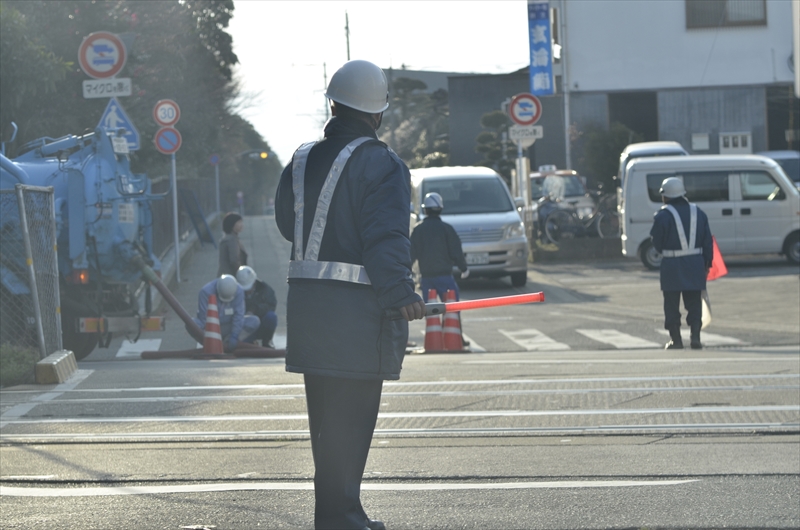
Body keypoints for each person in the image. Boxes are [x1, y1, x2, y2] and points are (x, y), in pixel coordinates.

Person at [274, 59, 425, 530]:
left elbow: (286, 223)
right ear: (377, 113)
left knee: (325, 424)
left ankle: (337, 515)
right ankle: (343, 517)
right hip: (356, 320)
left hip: (308, 313)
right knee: (352, 424)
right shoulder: (382, 164)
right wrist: (401, 292)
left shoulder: (299, 158)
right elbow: (387, 238)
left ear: (334, 104)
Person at [649, 177, 713, 350]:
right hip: (695, 263)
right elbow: (708, 241)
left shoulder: (662, 216)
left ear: (666, 196)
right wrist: (707, 264)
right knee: (694, 302)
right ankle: (696, 337)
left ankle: (676, 340)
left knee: (671, 304)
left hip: (671, 264)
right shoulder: (699, 213)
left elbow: (657, 242)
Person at [410, 192, 469, 303]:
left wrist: (405, 271)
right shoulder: (447, 229)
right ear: (440, 209)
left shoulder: (418, 230)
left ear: (425, 210)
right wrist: (463, 268)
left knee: (431, 312)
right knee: (452, 312)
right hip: (445, 277)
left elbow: (411, 253)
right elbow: (455, 250)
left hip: (426, 278)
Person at [191, 274, 260, 352]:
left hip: (228, 327)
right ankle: (209, 344)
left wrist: (235, 335)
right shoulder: (205, 292)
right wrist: (209, 336)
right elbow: (203, 318)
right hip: (209, 328)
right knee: (191, 323)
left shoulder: (238, 291)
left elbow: (239, 315)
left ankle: (227, 342)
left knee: (254, 321)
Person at [235, 266, 278, 348]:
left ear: (254, 282)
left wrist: (255, 309)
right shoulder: (234, 292)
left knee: (271, 317)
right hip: (242, 328)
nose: (247, 291)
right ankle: (248, 342)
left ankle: (267, 340)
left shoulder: (265, 289)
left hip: (260, 324)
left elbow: (271, 305)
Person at [218, 212, 247, 277]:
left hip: (225, 277)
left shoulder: (230, 238)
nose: (241, 225)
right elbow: (234, 260)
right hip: (231, 278)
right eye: (239, 222)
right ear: (232, 224)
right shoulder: (232, 240)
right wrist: (242, 273)